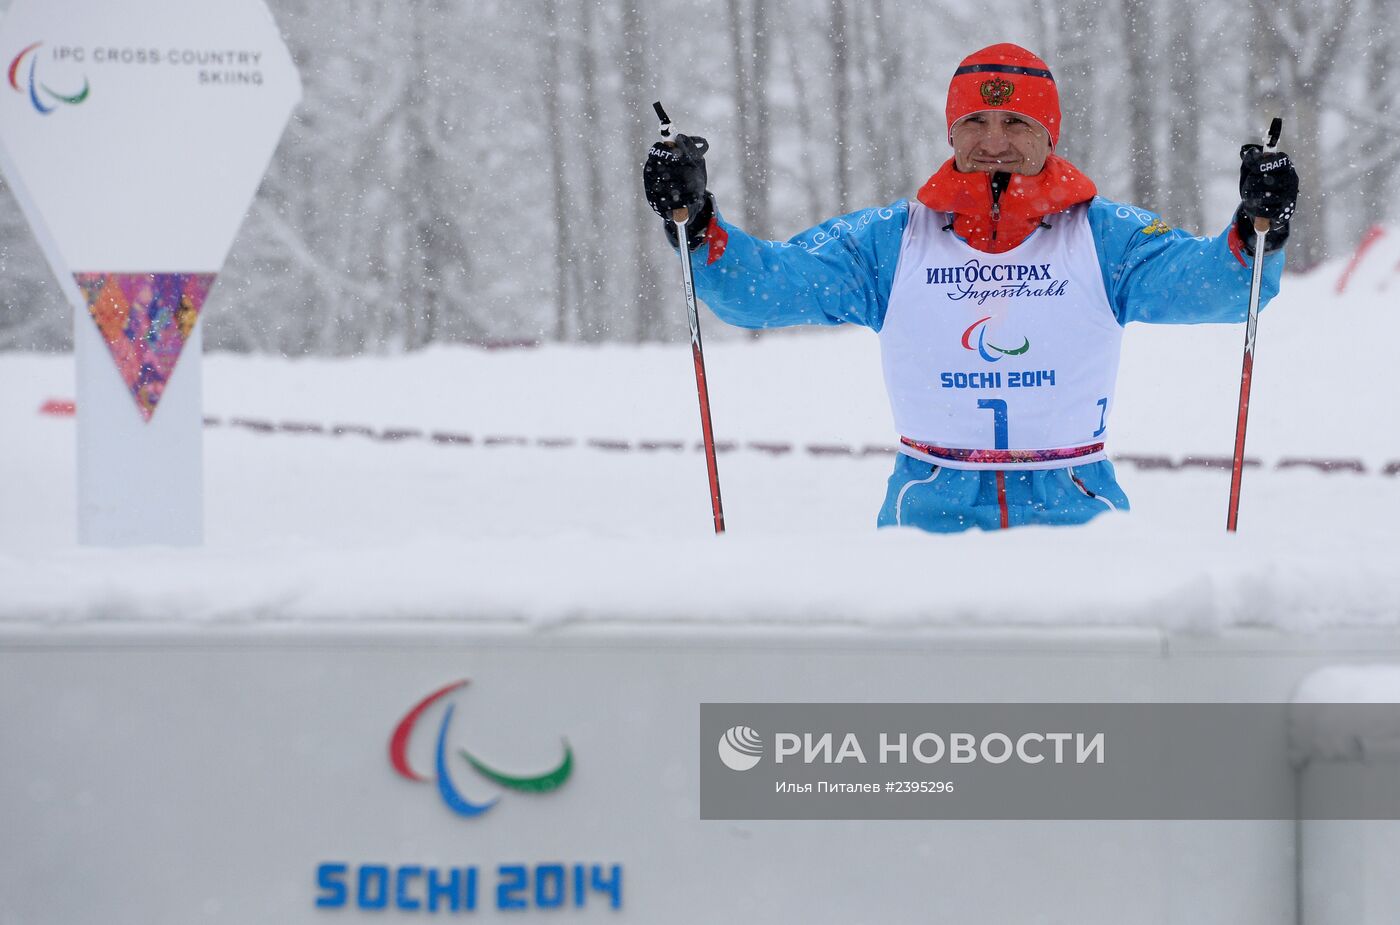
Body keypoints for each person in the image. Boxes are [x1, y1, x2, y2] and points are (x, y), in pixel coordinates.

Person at [642, 43, 1299, 533]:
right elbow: (764, 289)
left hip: (1076, 505)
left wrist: (1256, 223)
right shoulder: (890, 238)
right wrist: (697, 223)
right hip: (928, 506)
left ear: (1049, 132)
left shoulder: (1107, 235)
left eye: (1016, 124)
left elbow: (1214, 286)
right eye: (976, 124)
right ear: (952, 131)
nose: (994, 142)